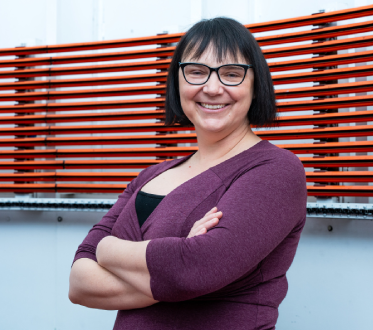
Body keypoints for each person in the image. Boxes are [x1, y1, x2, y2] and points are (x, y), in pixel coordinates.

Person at [69, 17, 307, 330]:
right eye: (196, 72)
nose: (212, 87)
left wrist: (108, 249)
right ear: (177, 82)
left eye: (231, 74)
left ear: (255, 84)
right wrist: (174, 268)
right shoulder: (150, 176)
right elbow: (79, 284)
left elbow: (196, 270)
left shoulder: (276, 170)